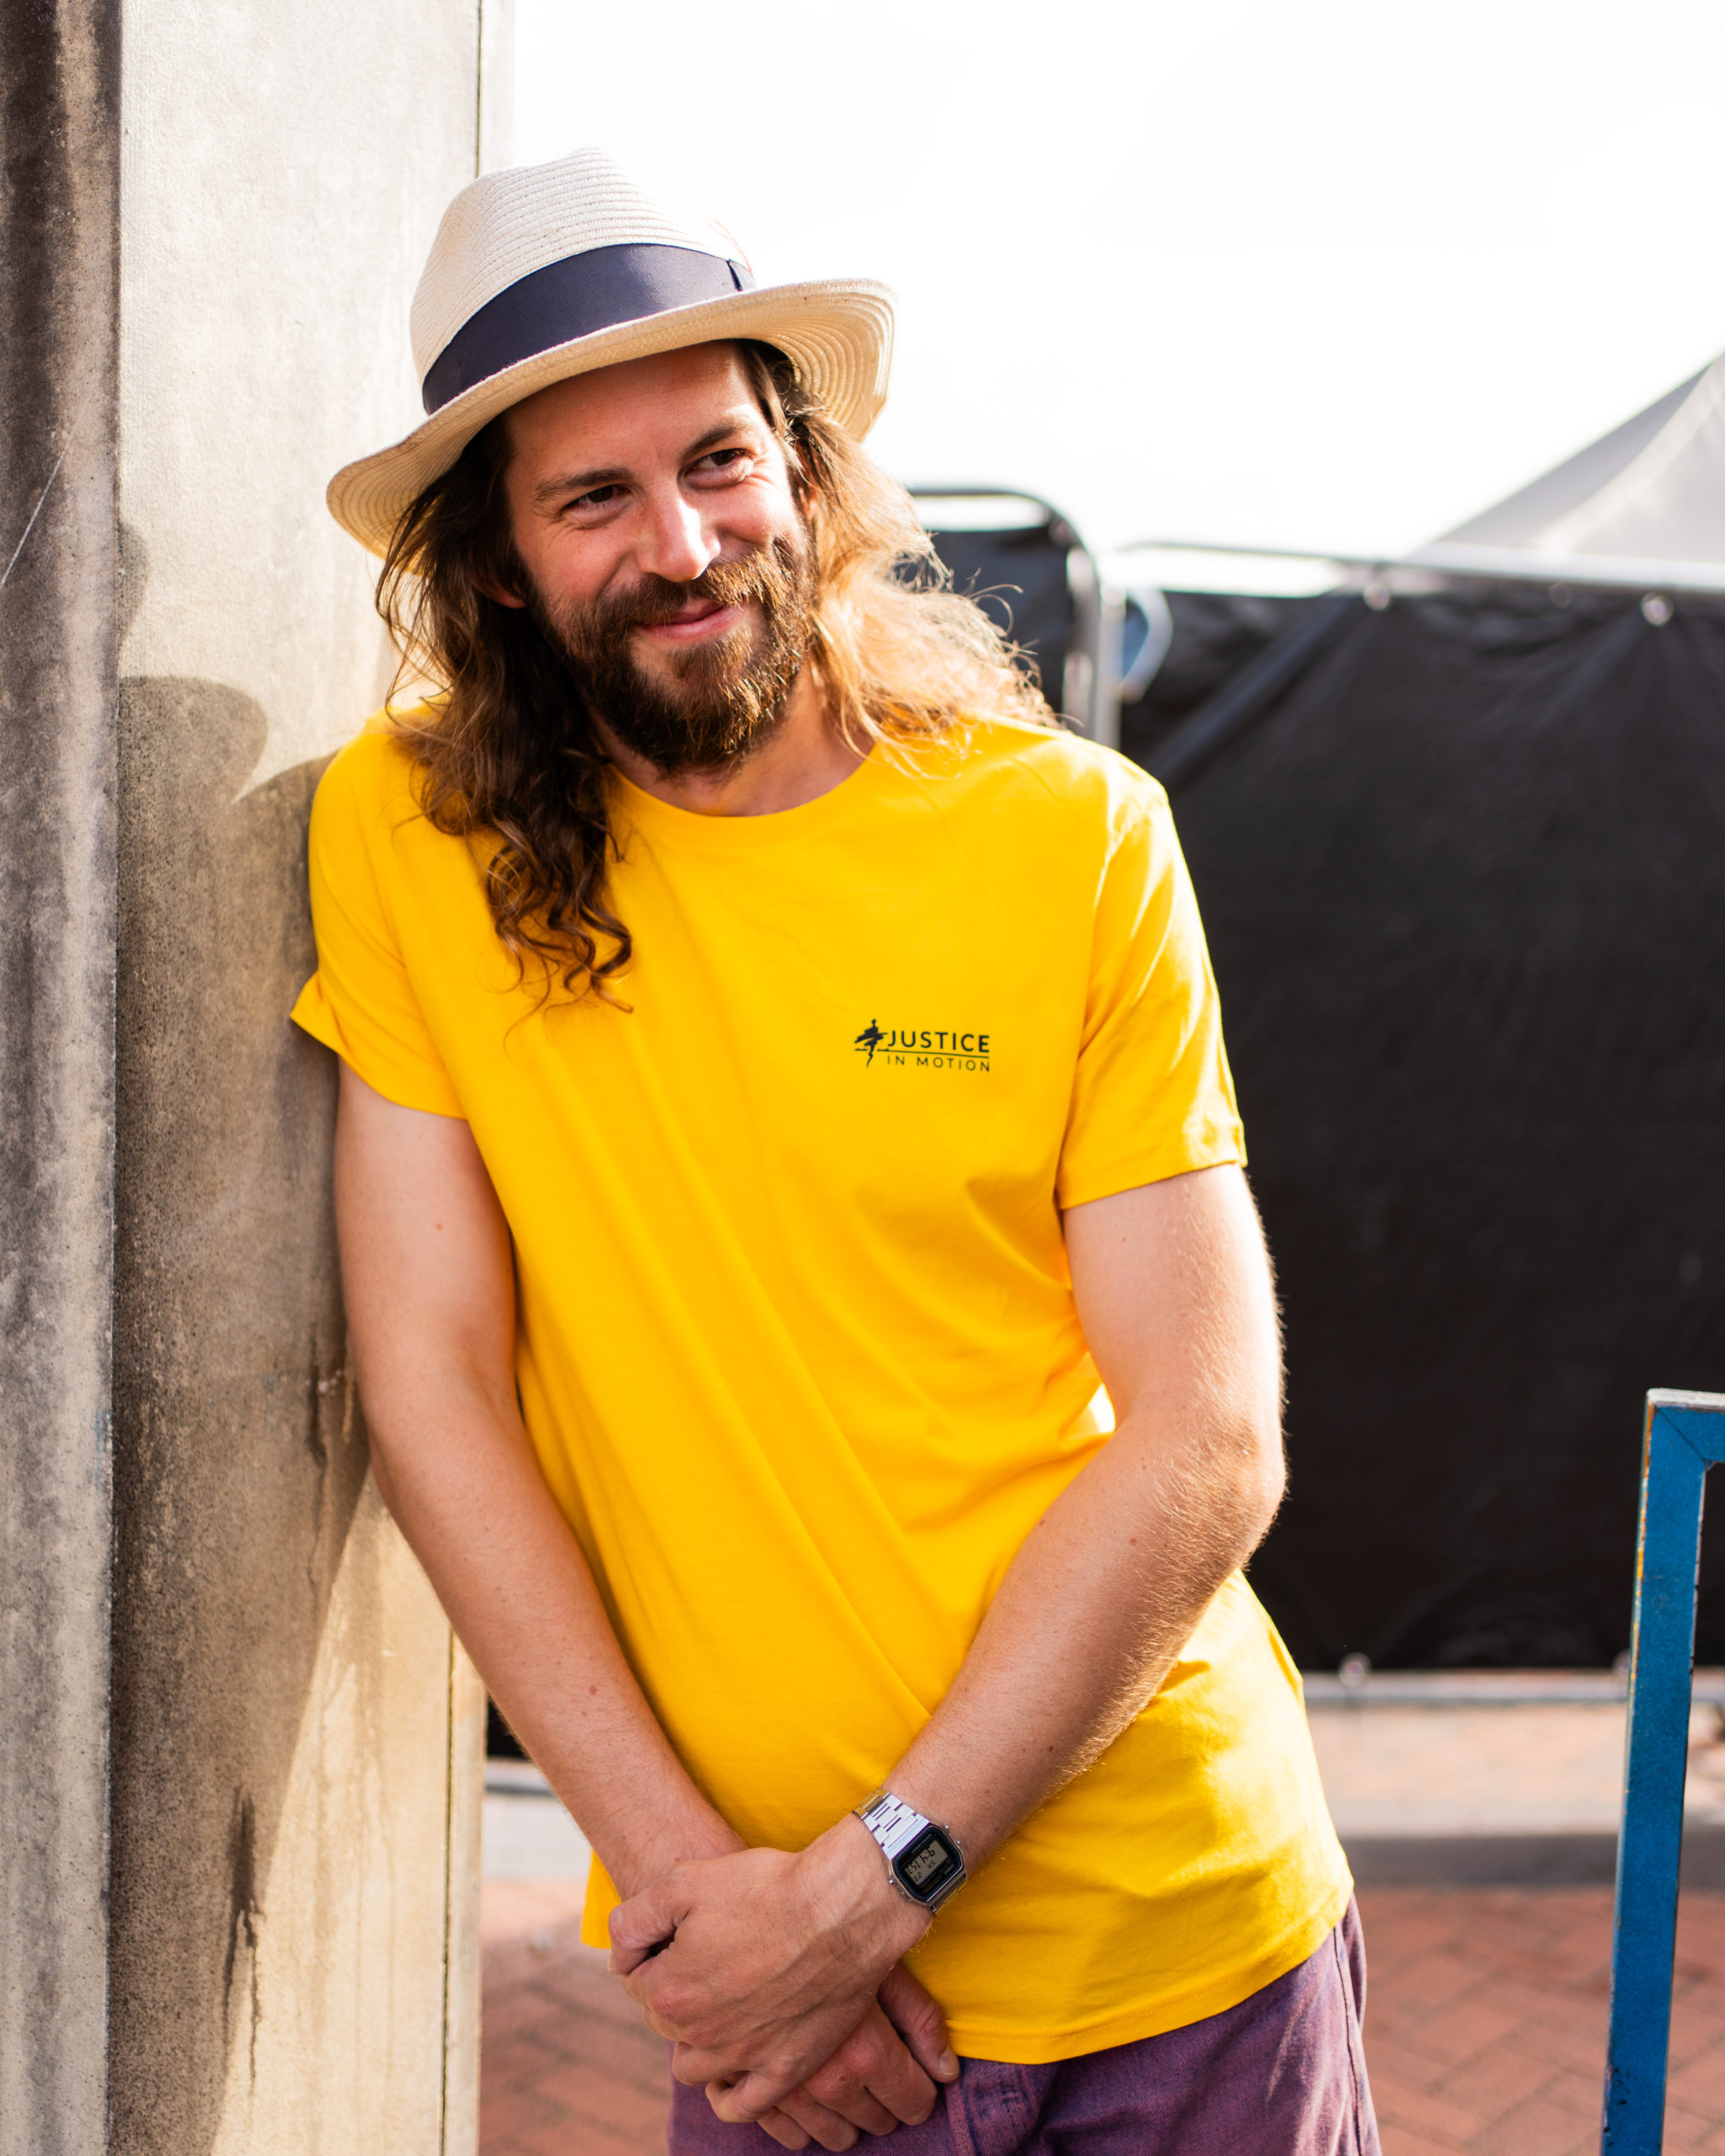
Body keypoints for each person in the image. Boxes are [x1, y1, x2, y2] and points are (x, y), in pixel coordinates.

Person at [296, 148, 1378, 2155]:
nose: (682, 541)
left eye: (719, 460)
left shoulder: (1072, 838)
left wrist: (872, 1883)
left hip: (1180, 1940)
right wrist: (718, 1916)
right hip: (779, 2011)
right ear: (499, 564)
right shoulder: (409, 839)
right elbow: (432, 1383)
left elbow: (1210, 1431)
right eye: (592, 497)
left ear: (804, 469)